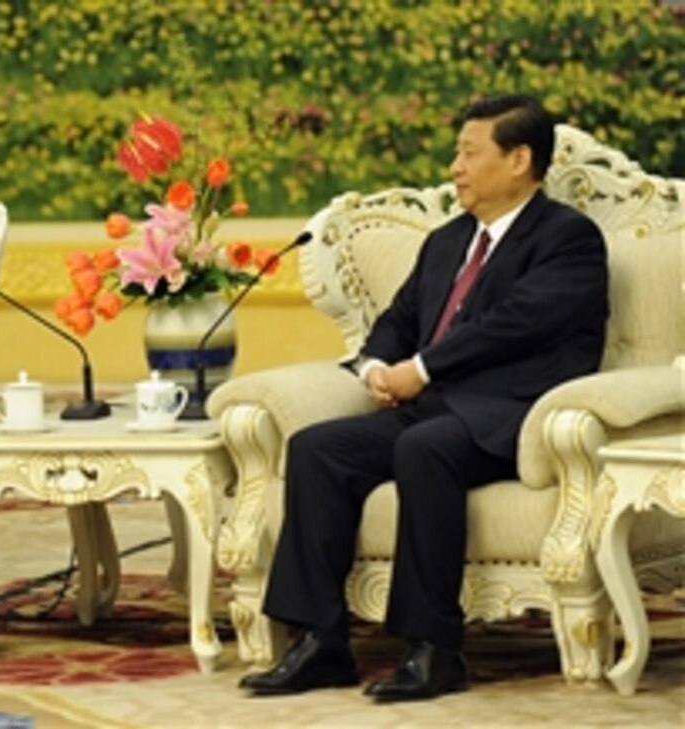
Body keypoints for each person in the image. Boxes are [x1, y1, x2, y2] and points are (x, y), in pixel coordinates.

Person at [239, 94, 609, 702]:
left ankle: (433, 649)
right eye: (456, 153)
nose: (454, 167)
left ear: (519, 159)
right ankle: (319, 643)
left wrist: (423, 369)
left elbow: (514, 324)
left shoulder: (568, 239)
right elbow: (397, 319)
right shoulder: (447, 241)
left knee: (423, 447)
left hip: (510, 416)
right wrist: (379, 368)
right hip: (432, 410)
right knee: (317, 449)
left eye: (469, 153)